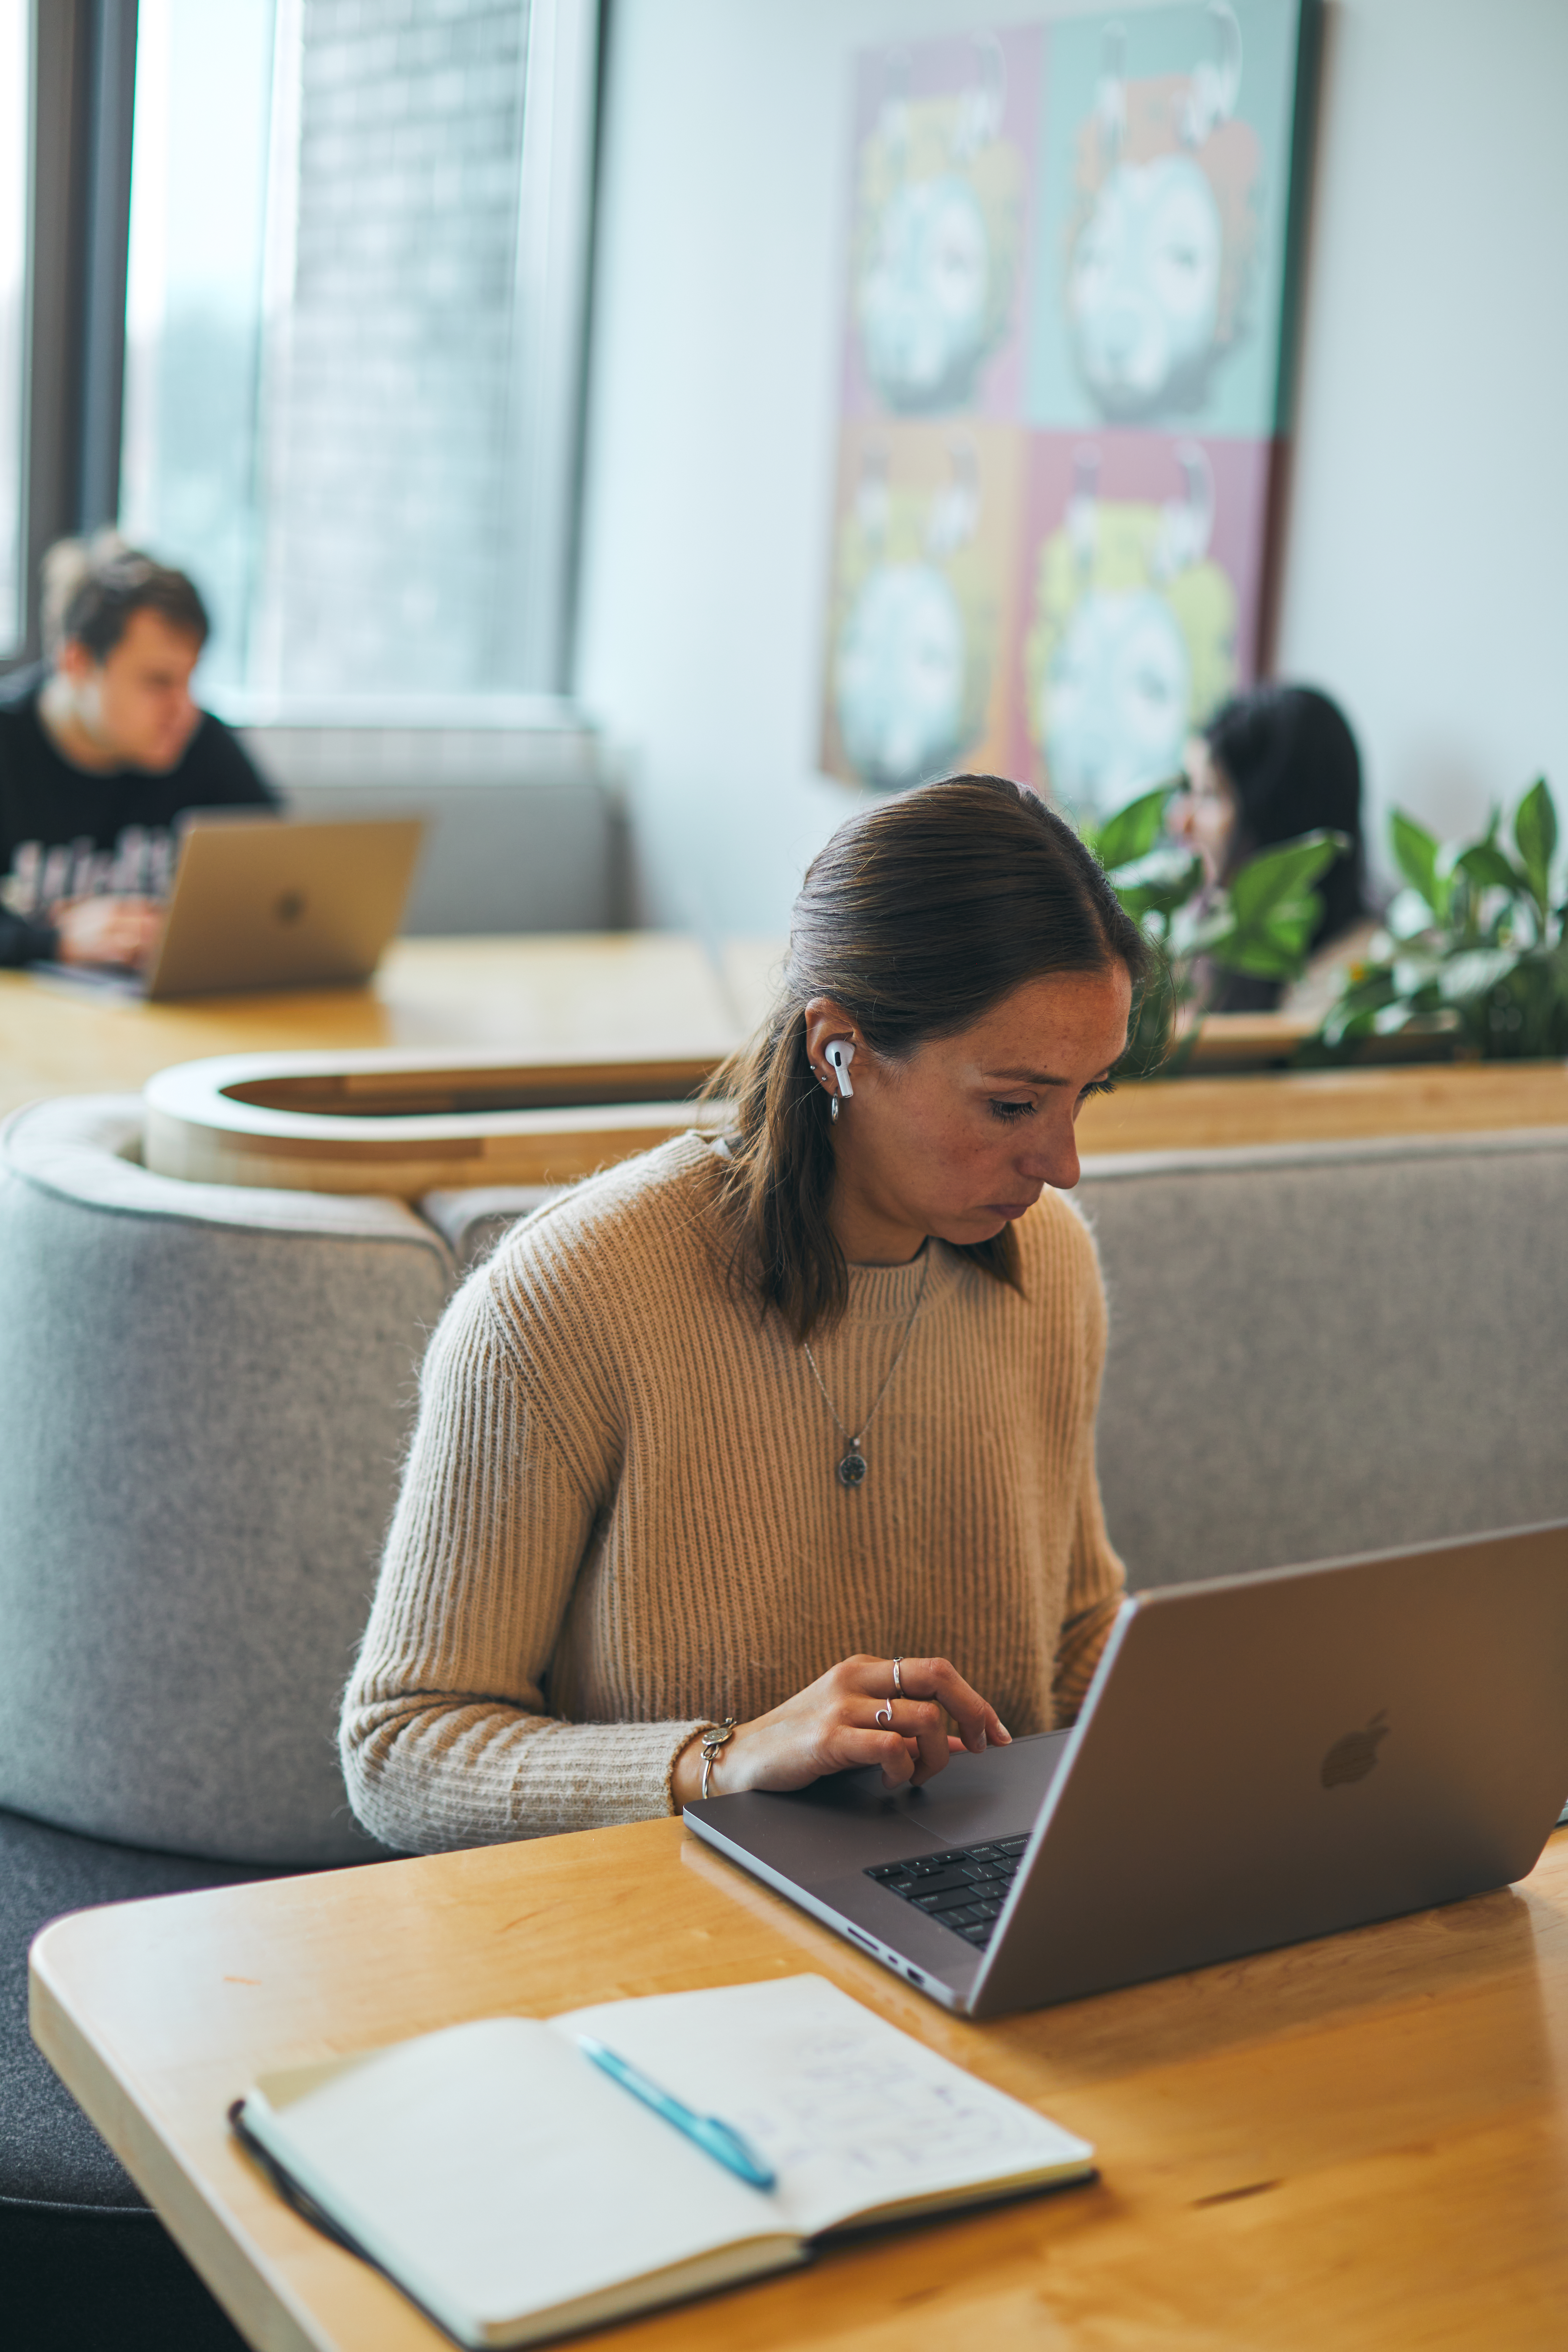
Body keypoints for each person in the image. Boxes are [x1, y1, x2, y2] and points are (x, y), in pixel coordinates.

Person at [341, 776, 1149, 1853]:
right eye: (1011, 1104)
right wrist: (720, 1761)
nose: (1063, 1166)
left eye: (1083, 1094)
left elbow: (1069, 1631)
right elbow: (402, 1747)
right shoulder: (564, 1302)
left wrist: (1228, 1715)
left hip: (970, 1895)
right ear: (838, 1051)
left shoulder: (1047, 1263)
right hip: (662, 1933)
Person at [0, 534, 276, 969]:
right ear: (77, 664)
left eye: (190, 679)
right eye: (158, 682)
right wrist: (54, 942)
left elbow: (285, 882)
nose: (184, 709)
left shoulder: (200, 742)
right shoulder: (9, 742)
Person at [1170, 682, 1371, 1014]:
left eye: (1208, 796)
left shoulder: (1350, 978)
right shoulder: (1188, 938)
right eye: (1187, 791)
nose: (1181, 822)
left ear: (1277, 821)